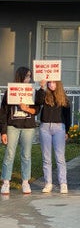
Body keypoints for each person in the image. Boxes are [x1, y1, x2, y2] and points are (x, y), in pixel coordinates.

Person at [0, 67, 37, 195]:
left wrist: (26, 108)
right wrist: (3, 132)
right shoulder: (9, 91)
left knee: (26, 155)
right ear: (20, 77)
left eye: (30, 76)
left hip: (28, 127)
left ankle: (25, 181)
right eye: (27, 76)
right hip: (12, 126)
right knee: (9, 154)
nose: (29, 79)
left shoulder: (32, 92)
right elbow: (3, 113)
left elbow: (36, 109)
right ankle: (6, 182)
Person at [36, 79, 72, 194]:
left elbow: (67, 116)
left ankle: (63, 183)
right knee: (46, 158)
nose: (51, 84)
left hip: (59, 127)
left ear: (58, 84)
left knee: (60, 157)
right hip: (45, 127)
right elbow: (37, 101)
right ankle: (48, 183)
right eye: (49, 82)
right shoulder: (44, 95)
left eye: (54, 82)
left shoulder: (64, 98)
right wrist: (41, 87)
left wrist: (67, 131)